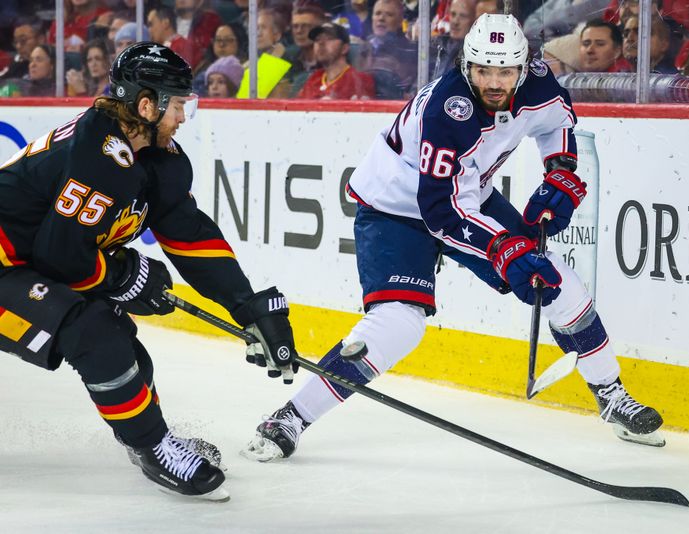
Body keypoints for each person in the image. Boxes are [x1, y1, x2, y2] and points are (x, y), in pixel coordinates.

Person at [242, 14, 665, 464]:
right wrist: (504, 249)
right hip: (396, 207)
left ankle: (612, 395)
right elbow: (440, 211)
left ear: (524, 67)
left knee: (556, 281)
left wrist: (559, 170)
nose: (494, 82)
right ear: (468, 65)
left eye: (505, 71)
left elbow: (556, 122)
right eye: (484, 70)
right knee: (397, 324)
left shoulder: (538, 81)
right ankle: (291, 417)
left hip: (469, 193)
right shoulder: (449, 108)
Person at [0, 43, 298, 500]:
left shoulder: (157, 158)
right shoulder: (98, 157)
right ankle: (153, 446)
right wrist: (122, 276)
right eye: (178, 105)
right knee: (94, 329)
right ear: (146, 105)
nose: (183, 117)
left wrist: (248, 306)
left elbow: (190, 235)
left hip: (25, 262)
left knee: (118, 339)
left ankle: (150, 437)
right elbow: (60, 256)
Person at [297, 22, 375, 99]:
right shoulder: (314, 78)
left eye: (329, 38)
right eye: (317, 39)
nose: (321, 43)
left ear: (344, 48)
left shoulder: (358, 80)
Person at [430, 0, 477, 80]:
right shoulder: (436, 43)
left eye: (463, 16)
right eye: (453, 14)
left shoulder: (474, 55)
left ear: (474, 20)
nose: (455, 21)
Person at [0, 18, 46, 84]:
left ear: (40, 39)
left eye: (23, 40)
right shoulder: (17, 65)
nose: (18, 46)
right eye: (15, 42)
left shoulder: (56, 65)